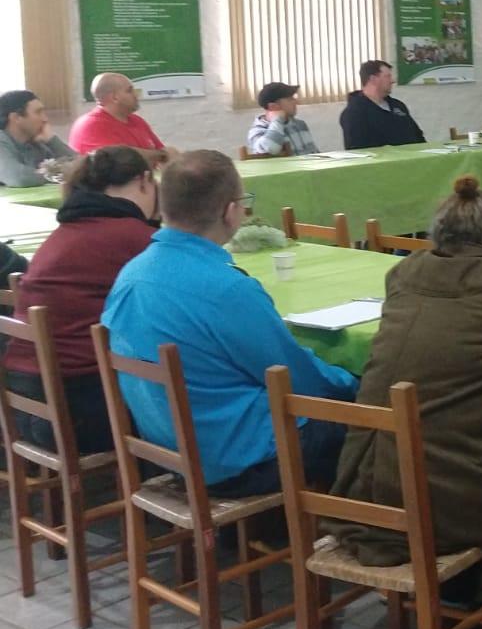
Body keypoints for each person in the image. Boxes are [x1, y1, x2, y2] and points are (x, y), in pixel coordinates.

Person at [330, 175, 482, 583]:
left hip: (364, 488)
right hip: (452, 503)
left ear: (437, 238)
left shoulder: (403, 275)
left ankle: (462, 586)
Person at [102, 149, 358, 495]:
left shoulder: (130, 273)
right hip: (236, 460)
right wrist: (355, 384)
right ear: (231, 212)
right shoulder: (226, 289)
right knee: (368, 423)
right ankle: (358, 531)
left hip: (167, 446)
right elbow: (298, 380)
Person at [5, 147, 158, 455]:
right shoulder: (133, 235)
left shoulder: (66, 231)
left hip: (24, 403)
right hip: (76, 413)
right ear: (145, 181)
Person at [67, 73, 168, 162]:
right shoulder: (90, 124)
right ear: (114, 97)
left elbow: (163, 152)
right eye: (129, 91)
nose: (136, 95)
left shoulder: (137, 121)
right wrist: (160, 155)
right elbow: (120, 158)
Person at [340, 60, 425, 150]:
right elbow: (357, 151)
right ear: (373, 79)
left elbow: (418, 137)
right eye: (388, 76)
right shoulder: (354, 113)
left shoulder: (398, 106)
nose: (393, 81)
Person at [0, 89, 77, 187]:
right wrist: (58, 174)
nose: (45, 119)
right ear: (16, 118)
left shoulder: (38, 141)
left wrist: (52, 140)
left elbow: (81, 169)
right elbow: (17, 177)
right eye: (38, 112)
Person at [246, 82, 319, 156]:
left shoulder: (299, 125)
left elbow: (314, 154)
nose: (297, 102)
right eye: (290, 99)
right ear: (273, 106)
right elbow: (271, 148)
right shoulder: (257, 132)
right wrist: (277, 120)